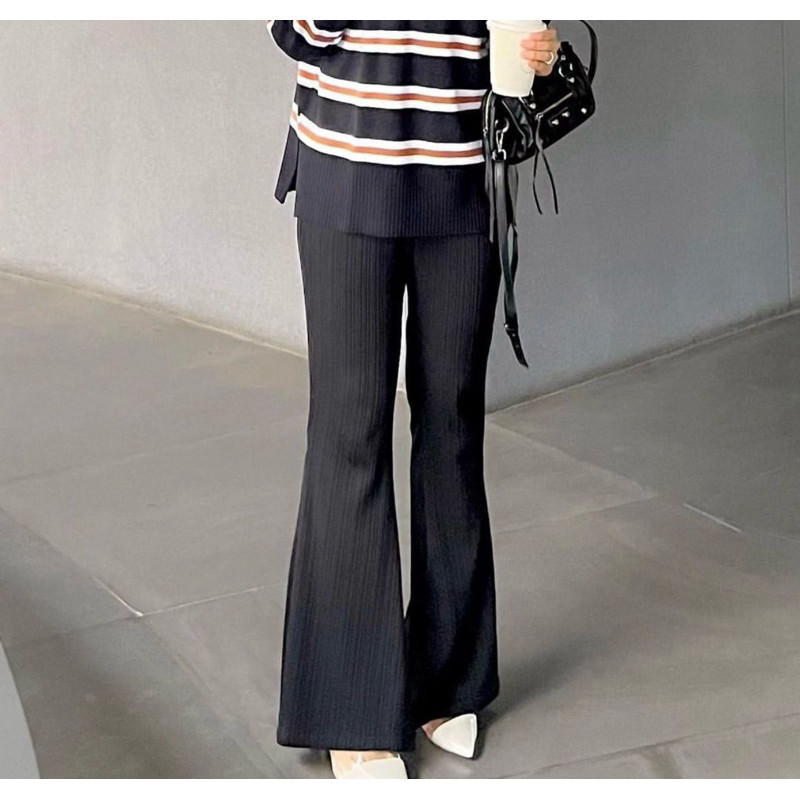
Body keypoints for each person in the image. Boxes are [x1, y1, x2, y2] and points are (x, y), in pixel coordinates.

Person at [265, 20, 560, 779]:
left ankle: (448, 676)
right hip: (347, 169)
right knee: (350, 433)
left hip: (466, 178)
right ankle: (350, 708)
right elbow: (293, 31)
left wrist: (541, 49)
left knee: (452, 424)